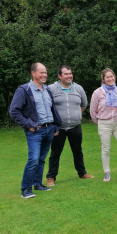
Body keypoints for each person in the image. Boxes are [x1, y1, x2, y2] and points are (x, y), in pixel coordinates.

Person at [9, 62, 61, 199]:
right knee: (33, 159)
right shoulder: (24, 90)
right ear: (33, 73)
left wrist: (55, 126)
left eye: (45, 72)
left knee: (42, 159)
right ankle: (25, 189)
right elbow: (14, 111)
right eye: (41, 72)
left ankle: (37, 184)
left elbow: (52, 110)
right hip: (35, 131)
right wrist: (27, 124)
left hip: (49, 129)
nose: (44, 75)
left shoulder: (47, 89)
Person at [46, 65, 94, 186]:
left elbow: (83, 105)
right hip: (58, 128)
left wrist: (75, 115)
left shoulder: (78, 88)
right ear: (59, 76)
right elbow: (47, 106)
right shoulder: (51, 89)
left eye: (70, 73)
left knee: (78, 151)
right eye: (66, 74)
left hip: (75, 126)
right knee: (55, 152)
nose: (69, 76)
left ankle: (82, 173)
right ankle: (51, 177)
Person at [90, 68, 117, 182]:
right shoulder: (98, 92)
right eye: (107, 77)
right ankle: (107, 173)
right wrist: (100, 122)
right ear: (103, 79)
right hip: (104, 123)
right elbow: (93, 110)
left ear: (114, 77)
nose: (110, 79)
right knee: (106, 149)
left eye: (112, 76)